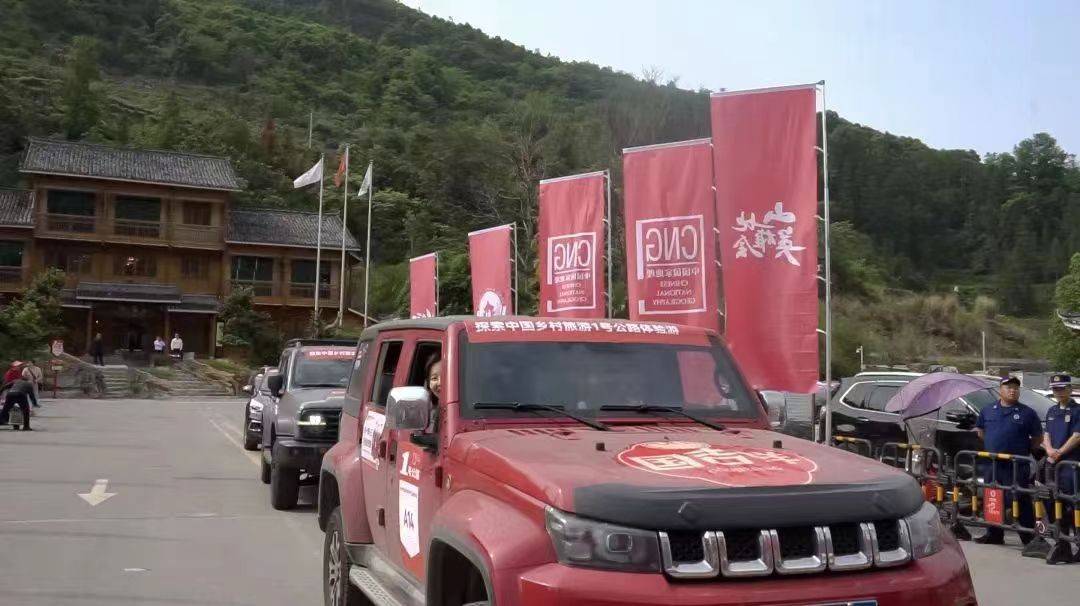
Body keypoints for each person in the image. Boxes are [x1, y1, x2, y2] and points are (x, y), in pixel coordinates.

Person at [974, 375, 1043, 544]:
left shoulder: (1027, 413)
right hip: (993, 463)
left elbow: (1037, 438)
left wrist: (1022, 449)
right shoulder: (988, 410)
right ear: (1000, 390)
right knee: (992, 497)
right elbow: (981, 432)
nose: (1012, 391)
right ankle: (994, 534)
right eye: (1008, 387)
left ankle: (1028, 537)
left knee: (1019, 498)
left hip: (1016, 464)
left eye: (1015, 388)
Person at [1044, 373, 1079, 556]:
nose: (1058, 391)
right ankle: (1063, 544)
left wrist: (1059, 453)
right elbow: (1047, 434)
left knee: (1074, 504)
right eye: (1055, 389)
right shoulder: (1052, 410)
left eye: (1061, 388)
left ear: (1070, 389)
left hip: (1071, 466)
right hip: (1054, 466)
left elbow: (1077, 436)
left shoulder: (1077, 410)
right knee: (1055, 503)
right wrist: (1049, 450)